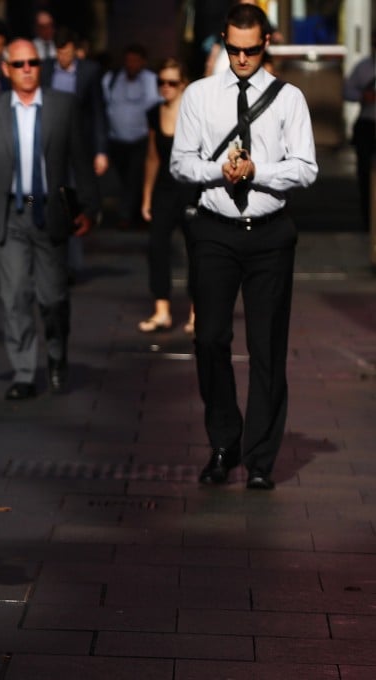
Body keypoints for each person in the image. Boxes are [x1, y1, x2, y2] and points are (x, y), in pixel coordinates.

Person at [171, 3, 317, 490]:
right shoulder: (199, 95)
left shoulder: (289, 98)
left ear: (266, 44)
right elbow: (182, 163)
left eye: (250, 50)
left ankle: (259, 459)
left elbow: (306, 168)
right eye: (233, 49)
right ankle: (223, 440)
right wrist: (221, 171)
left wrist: (258, 171)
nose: (241, 59)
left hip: (270, 233)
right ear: (224, 42)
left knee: (267, 349)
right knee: (209, 338)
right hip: (215, 229)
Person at [0, 38, 99, 400]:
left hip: (51, 213)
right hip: (9, 214)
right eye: (20, 64)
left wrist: (88, 207)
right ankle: (24, 372)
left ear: (42, 67)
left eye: (33, 63)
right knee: (14, 297)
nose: (27, 69)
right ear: (6, 69)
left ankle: (57, 356)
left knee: (53, 298)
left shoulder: (63, 106)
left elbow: (80, 160)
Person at [41, 27, 110, 282]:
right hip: (50, 144)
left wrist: (101, 151)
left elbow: (98, 111)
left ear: (75, 49)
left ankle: (70, 262)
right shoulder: (46, 69)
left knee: (71, 201)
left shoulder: (89, 71)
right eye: (60, 52)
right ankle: (52, 259)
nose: (64, 57)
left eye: (67, 52)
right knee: (49, 197)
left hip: (79, 146)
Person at [138, 58, 198, 335]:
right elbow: (152, 157)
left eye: (172, 82)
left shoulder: (196, 114)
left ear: (183, 83)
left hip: (191, 189)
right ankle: (161, 310)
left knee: (196, 251)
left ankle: (197, 313)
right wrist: (146, 196)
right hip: (164, 189)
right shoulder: (154, 113)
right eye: (161, 82)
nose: (165, 87)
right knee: (156, 247)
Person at [103, 43, 159, 228]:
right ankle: (134, 211)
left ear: (143, 62)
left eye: (136, 61)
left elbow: (155, 106)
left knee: (133, 177)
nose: (132, 65)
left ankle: (125, 216)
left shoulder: (151, 81)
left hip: (140, 139)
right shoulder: (111, 80)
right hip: (116, 140)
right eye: (129, 61)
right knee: (125, 178)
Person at [343, 30, 374, 228]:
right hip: (368, 125)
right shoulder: (363, 68)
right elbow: (347, 90)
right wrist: (363, 96)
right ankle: (368, 217)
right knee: (365, 173)